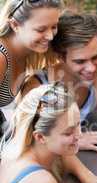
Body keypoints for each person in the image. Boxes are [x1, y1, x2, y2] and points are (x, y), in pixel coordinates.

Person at [22, 11, 97, 154]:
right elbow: (29, 140)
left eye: (95, 57)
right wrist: (78, 138)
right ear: (60, 57)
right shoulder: (38, 86)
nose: (90, 67)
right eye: (80, 61)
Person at [0, 83, 97, 183]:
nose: (79, 135)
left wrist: (88, 177)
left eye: (78, 124)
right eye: (68, 132)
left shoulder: (18, 150)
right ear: (40, 137)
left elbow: (63, 157)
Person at [0, 0, 63, 137]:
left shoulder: (28, 51)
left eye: (54, 26)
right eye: (41, 29)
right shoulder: (1, 57)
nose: (50, 36)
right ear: (15, 25)